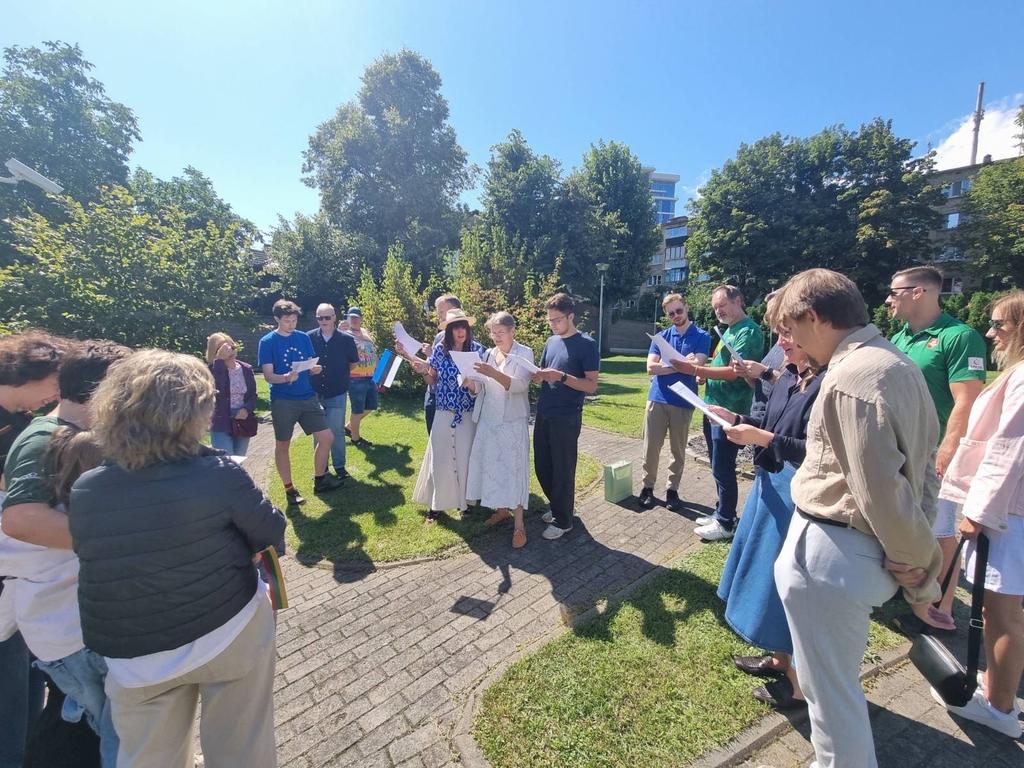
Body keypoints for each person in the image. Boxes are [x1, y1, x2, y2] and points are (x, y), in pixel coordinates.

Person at [768, 269, 953, 768]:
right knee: (833, 687)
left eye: (792, 328)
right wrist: (919, 553)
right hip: (853, 552)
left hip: (834, 553)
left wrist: (920, 570)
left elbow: (882, 492)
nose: (792, 343)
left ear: (814, 316)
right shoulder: (895, 361)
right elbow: (921, 470)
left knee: (831, 699)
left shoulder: (851, 378)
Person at [69, 349, 287, 768]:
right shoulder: (218, 473)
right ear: (192, 414)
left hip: (136, 656)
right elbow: (271, 532)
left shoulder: (87, 488)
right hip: (226, 630)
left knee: (148, 756)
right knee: (242, 746)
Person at [2, 339, 130, 768]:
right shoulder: (45, 439)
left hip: (77, 618)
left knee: (82, 724)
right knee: (93, 728)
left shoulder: (72, 433)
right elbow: (20, 519)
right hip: (66, 625)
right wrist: (126, 537)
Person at [709, 326, 822, 711]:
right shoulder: (789, 376)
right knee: (770, 579)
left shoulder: (827, 384)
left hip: (796, 492)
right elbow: (770, 427)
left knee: (791, 586)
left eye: (788, 334)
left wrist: (761, 439)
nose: (780, 342)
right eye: (779, 333)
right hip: (770, 483)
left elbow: (816, 450)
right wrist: (735, 417)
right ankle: (779, 659)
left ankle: (799, 687)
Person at [932, 291, 1024, 738]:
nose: (990, 333)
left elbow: (1009, 451)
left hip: (1007, 514)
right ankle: (998, 686)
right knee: (1006, 610)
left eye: (1000, 324)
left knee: (1000, 612)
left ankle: (1000, 708)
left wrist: (979, 513)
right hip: (1010, 511)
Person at [887, 266, 987, 621]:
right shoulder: (899, 338)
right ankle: (909, 590)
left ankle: (937, 605)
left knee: (938, 526)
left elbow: (967, 400)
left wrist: (948, 447)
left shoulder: (959, 337)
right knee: (907, 520)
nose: (888, 300)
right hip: (901, 447)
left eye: (895, 292)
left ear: (919, 292)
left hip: (933, 450)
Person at [0, 331, 66, 768]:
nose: (55, 396)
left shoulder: (23, 421)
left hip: (21, 575)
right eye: (55, 383)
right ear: (30, 372)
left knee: (27, 679)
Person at [674, 285, 764, 541]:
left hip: (730, 410)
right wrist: (705, 376)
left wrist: (696, 371)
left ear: (738, 300)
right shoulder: (729, 330)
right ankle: (721, 511)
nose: (718, 311)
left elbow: (736, 372)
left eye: (722, 305)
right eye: (715, 308)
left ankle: (726, 522)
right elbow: (720, 365)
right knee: (717, 465)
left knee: (723, 467)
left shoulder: (749, 331)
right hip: (712, 407)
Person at [257, 299, 343, 506]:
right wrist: (285, 377)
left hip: (308, 396)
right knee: (283, 445)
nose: (291, 324)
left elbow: (309, 363)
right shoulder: (267, 342)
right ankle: (290, 489)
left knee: (327, 437)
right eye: (287, 321)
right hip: (283, 400)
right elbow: (268, 376)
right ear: (277, 319)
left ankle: (320, 480)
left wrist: (314, 369)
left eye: (294, 320)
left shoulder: (303, 338)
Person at [530, 293, 599, 540]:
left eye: (557, 320)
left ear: (571, 316)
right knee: (543, 465)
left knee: (562, 469)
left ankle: (564, 520)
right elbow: (542, 374)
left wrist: (561, 377)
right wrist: (536, 376)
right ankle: (559, 506)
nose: (553, 324)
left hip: (567, 416)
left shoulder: (587, 344)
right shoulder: (551, 341)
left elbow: (591, 386)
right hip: (544, 412)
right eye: (549, 320)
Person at [466, 312, 534, 548]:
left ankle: (519, 526)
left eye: (501, 332)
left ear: (512, 331)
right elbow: (481, 388)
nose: (496, 337)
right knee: (493, 467)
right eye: (493, 333)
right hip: (489, 419)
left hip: (512, 421)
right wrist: (470, 383)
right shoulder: (488, 353)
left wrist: (493, 372)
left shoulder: (524, 353)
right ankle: (501, 510)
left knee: (514, 470)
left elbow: (520, 385)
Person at [637, 293, 710, 511]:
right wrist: (681, 365)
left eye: (679, 311)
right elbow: (650, 368)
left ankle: (672, 490)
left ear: (686, 308)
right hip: (657, 398)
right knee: (651, 447)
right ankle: (647, 487)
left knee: (677, 450)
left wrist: (673, 365)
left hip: (683, 400)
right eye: (671, 314)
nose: (676, 316)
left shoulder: (702, 336)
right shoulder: (661, 337)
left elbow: (697, 365)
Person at [413, 309, 485, 522]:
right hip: (444, 412)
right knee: (440, 459)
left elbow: (483, 385)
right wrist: (424, 372)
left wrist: (472, 384)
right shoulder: (440, 350)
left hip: (467, 412)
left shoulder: (477, 350)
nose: (461, 331)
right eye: (456, 327)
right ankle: (437, 505)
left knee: (464, 459)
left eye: (464, 327)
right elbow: (432, 380)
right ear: (449, 330)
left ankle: (464, 504)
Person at [308, 303, 360, 479]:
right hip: (315, 391)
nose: (323, 321)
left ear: (334, 317)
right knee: (318, 432)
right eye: (320, 318)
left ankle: (339, 466)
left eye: (327, 317)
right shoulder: (309, 338)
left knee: (336, 430)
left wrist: (339, 372)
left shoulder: (346, 340)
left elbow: (353, 363)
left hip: (337, 391)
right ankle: (321, 469)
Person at [410, 295, 461, 435]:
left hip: (452, 401)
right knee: (435, 440)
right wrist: (405, 352)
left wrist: (432, 354)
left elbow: (459, 369)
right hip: (433, 395)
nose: (439, 316)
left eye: (441, 312)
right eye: (438, 313)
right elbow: (429, 368)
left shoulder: (468, 340)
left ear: (454, 310)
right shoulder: (440, 338)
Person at [206, 332, 258, 457]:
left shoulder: (246, 369)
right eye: (224, 349)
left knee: (239, 459)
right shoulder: (211, 370)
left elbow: (252, 395)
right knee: (226, 459)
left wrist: (246, 409)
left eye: (231, 347)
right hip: (221, 421)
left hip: (242, 420)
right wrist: (219, 361)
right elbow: (217, 391)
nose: (230, 351)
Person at [344, 307, 379, 447]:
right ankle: (356, 438)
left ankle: (348, 427)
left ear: (361, 319)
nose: (354, 320)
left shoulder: (365, 332)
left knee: (371, 406)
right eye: (351, 317)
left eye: (357, 317)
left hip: (371, 376)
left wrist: (377, 371)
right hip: (355, 378)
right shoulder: (345, 334)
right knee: (357, 410)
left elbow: (373, 352)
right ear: (347, 319)